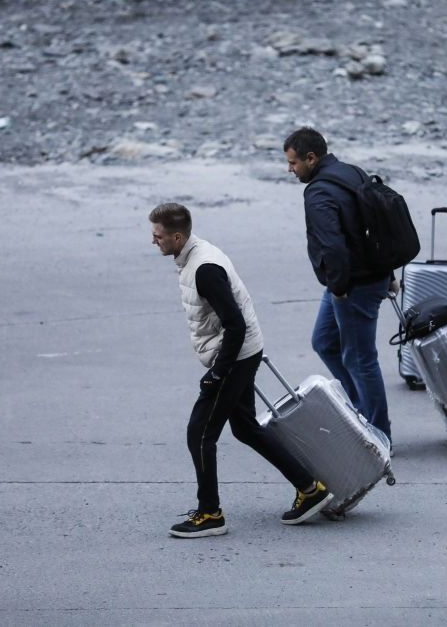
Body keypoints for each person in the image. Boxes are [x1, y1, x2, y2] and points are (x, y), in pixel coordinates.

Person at [149, 202, 333, 538]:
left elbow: (235, 325)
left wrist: (219, 372)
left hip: (234, 356)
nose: (153, 241)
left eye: (158, 236)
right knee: (245, 428)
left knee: (200, 433)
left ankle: (210, 514)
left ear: (177, 237)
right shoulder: (195, 255)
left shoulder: (204, 269)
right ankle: (310, 489)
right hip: (241, 352)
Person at [282, 127, 393, 443]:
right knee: (324, 342)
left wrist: (340, 287)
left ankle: (379, 434)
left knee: (360, 359)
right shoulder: (352, 172)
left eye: (293, 163)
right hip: (356, 278)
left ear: (311, 158)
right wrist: (388, 273)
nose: (290, 169)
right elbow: (378, 227)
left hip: (353, 284)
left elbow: (333, 245)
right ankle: (361, 409)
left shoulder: (319, 192)